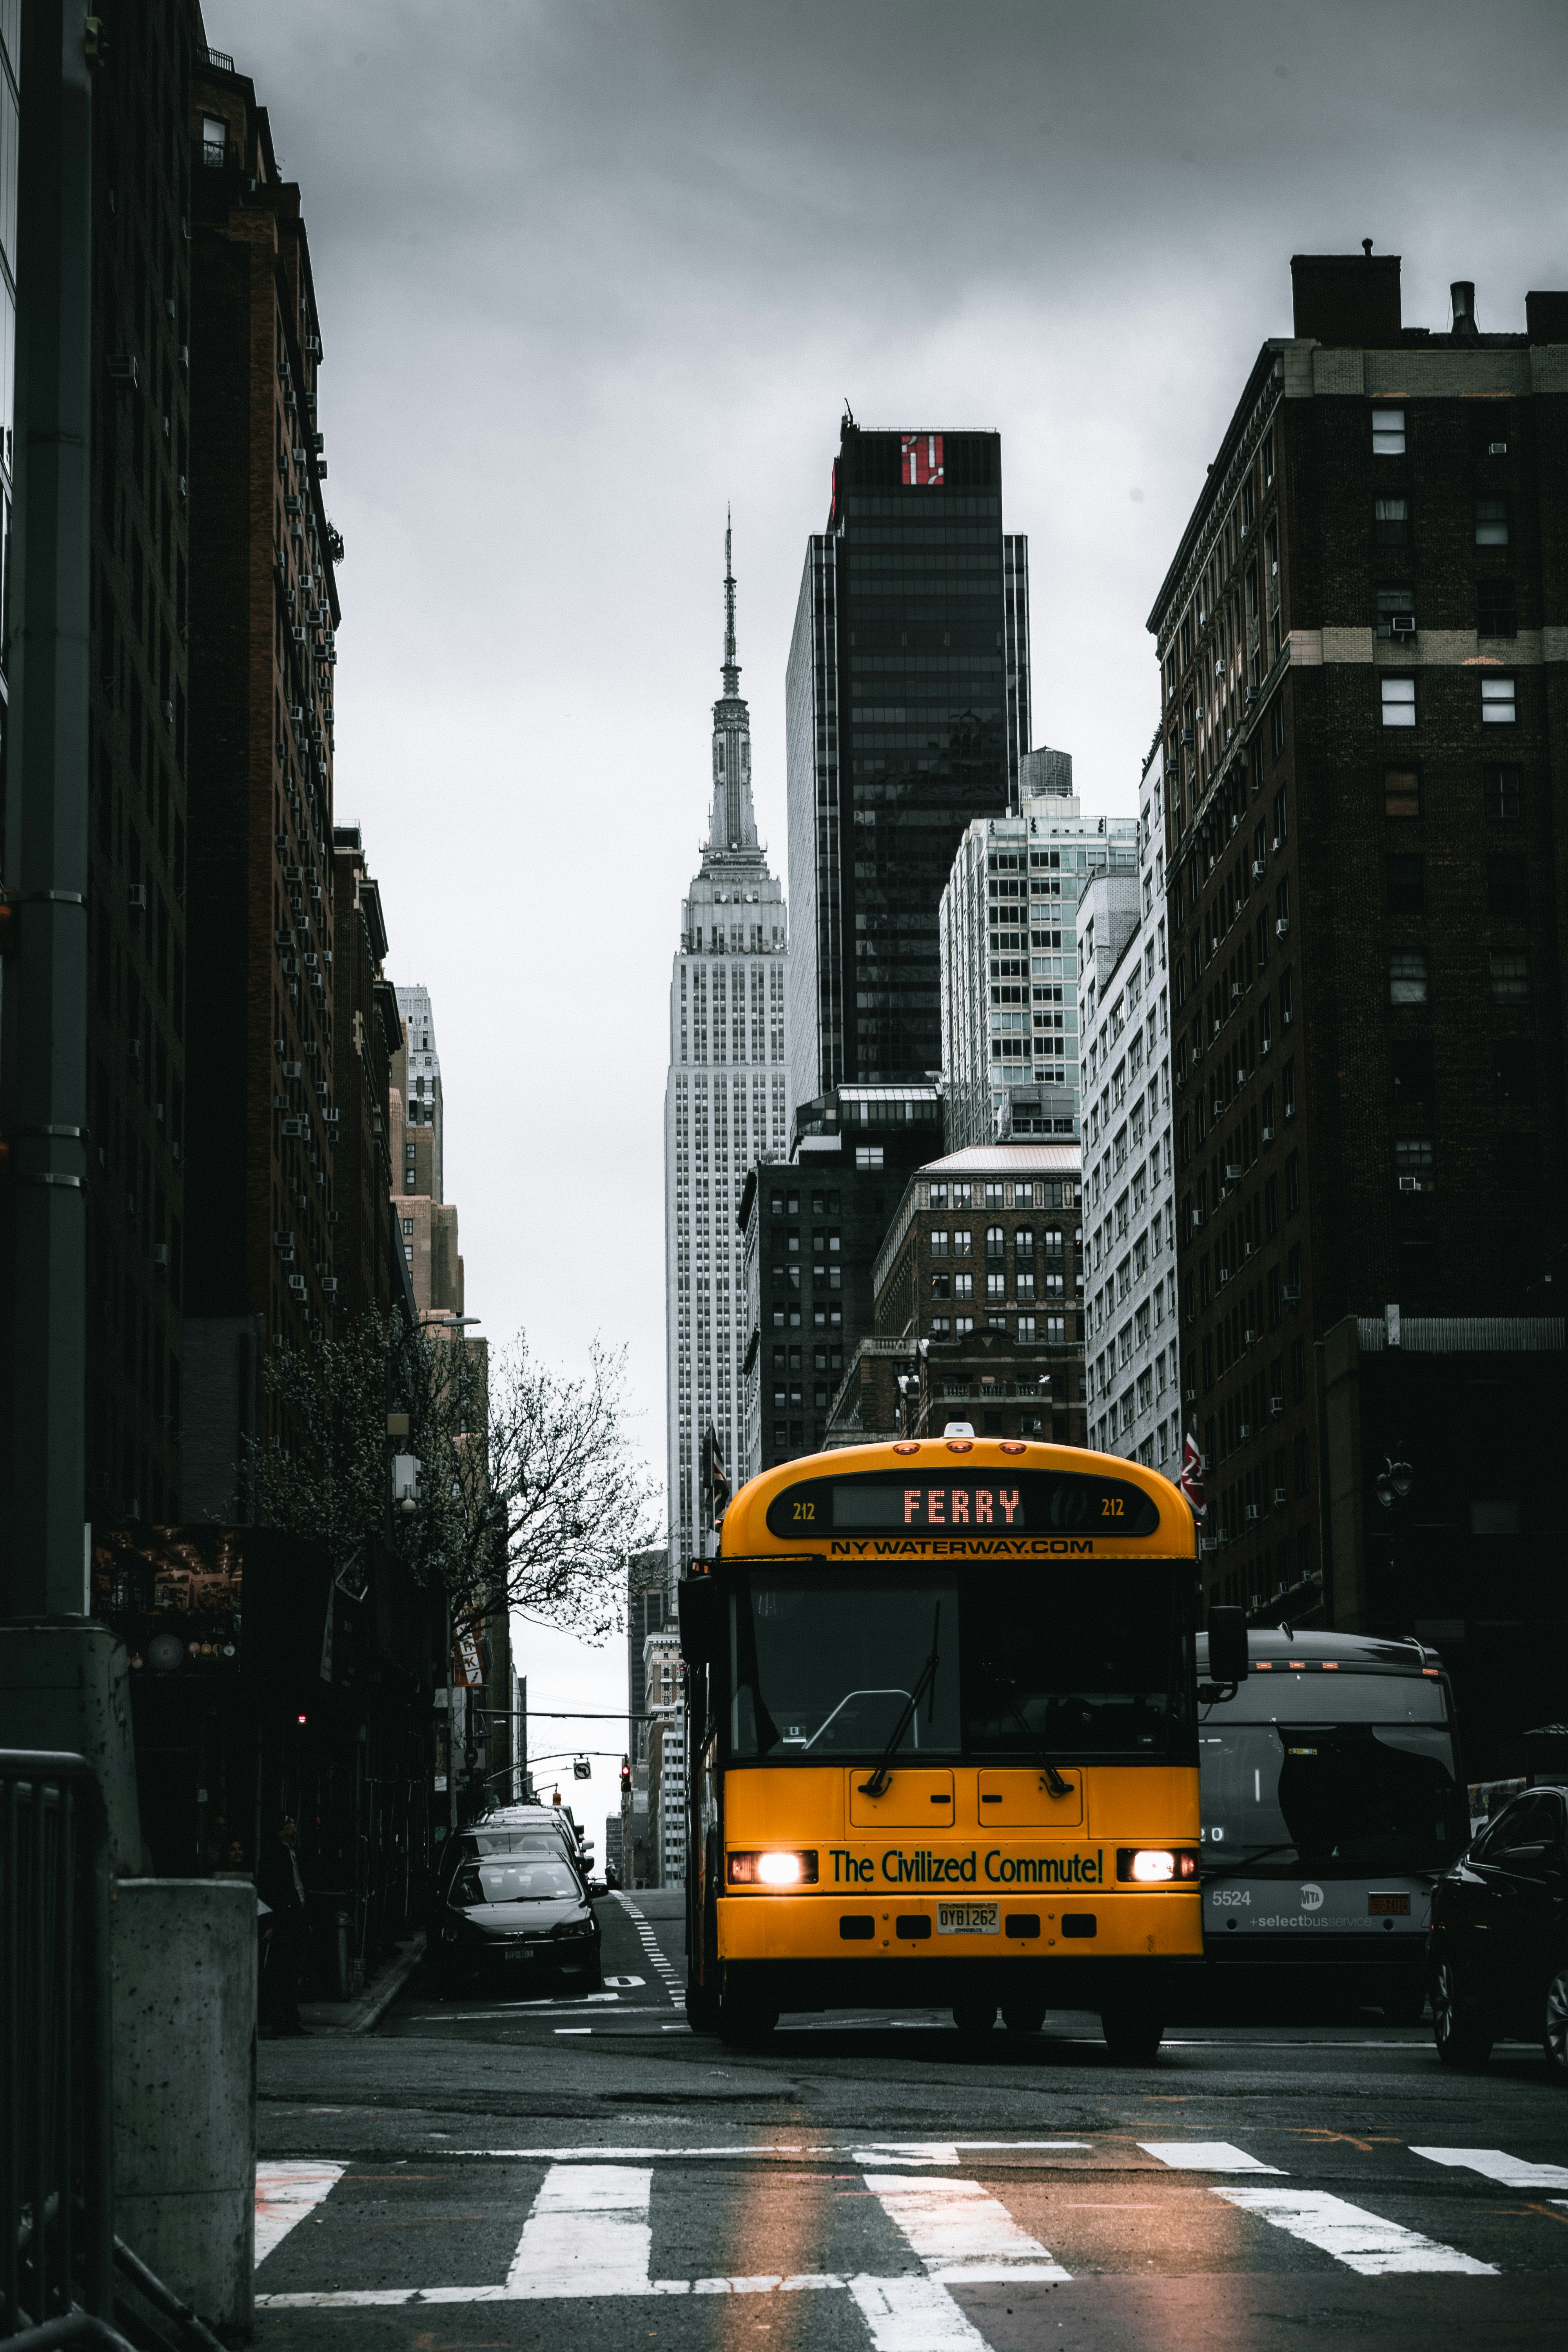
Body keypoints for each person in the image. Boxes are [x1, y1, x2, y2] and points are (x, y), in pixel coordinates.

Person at [257, 1813, 309, 2035]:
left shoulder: (294, 1852)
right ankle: (280, 2019)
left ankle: (291, 2019)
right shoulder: (274, 1856)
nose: (292, 1824)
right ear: (279, 1831)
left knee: (291, 1972)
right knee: (280, 1971)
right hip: (285, 1921)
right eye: (287, 1823)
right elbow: (274, 1891)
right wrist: (274, 1923)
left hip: (295, 1919)